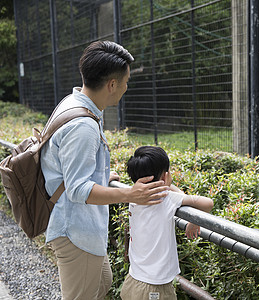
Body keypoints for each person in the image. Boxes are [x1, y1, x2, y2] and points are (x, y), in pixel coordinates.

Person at [40, 41, 168, 300]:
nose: (126, 87)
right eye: (125, 81)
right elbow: (77, 189)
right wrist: (130, 194)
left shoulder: (73, 102)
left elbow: (67, 167)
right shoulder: (83, 126)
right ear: (112, 85)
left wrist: (100, 177)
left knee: (103, 283)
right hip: (75, 230)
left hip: (78, 227)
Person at [121, 146, 214, 300]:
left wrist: (163, 181)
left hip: (133, 281)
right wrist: (193, 220)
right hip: (154, 288)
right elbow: (207, 203)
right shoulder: (166, 199)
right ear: (165, 177)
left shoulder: (133, 196)